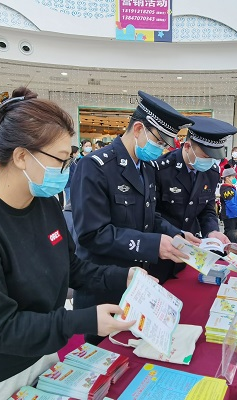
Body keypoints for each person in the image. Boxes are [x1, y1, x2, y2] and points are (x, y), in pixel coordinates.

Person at [0, 87, 138, 399]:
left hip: (39, 352)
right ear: (20, 156)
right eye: (60, 160)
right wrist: (83, 320)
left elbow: (71, 268)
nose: (66, 171)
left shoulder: (43, 202)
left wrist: (124, 276)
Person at [70, 90, 200, 344]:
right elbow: (91, 234)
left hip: (138, 285)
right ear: (138, 128)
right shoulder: (96, 167)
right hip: (103, 286)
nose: (162, 150)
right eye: (160, 142)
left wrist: (176, 234)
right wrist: (152, 244)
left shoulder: (147, 167)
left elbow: (151, 216)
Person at [149, 116, 237, 283]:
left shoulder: (210, 173)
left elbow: (207, 208)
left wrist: (212, 231)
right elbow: (149, 214)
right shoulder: (161, 169)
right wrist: (177, 234)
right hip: (159, 253)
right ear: (187, 146)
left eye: (214, 157)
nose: (210, 161)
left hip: (188, 258)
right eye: (205, 155)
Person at [219, 167, 237, 234]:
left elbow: (235, 198)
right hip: (229, 216)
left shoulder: (231, 188)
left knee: (236, 233)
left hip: (234, 215)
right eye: (233, 177)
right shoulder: (226, 190)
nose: (235, 179)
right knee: (230, 233)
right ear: (227, 178)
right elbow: (230, 204)